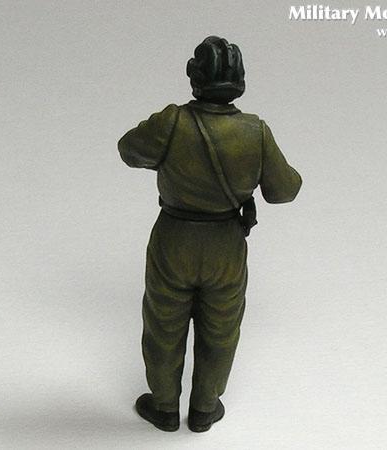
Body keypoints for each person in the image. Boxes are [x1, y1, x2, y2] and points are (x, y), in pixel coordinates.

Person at [118, 36, 302, 432]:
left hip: (174, 239)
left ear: (194, 77)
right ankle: (204, 408)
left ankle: (164, 406)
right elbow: (284, 191)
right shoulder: (255, 131)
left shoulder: (172, 122)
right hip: (226, 244)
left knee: (163, 324)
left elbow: (129, 150)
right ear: (240, 82)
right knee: (221, 327)